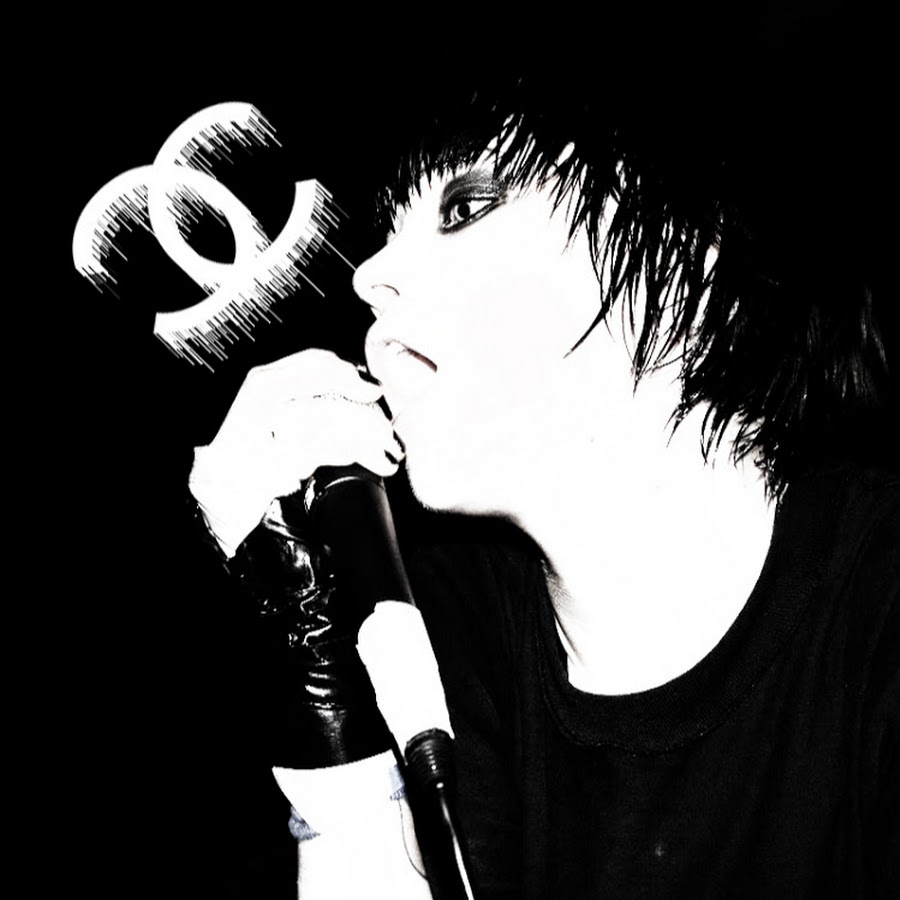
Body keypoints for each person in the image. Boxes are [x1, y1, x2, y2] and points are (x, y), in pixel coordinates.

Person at [189, 21, 897, 899]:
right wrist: (323, 695)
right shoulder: (439, 648)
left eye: (464, 207)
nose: (368, 275)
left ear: (695, 268)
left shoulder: (879, 604)